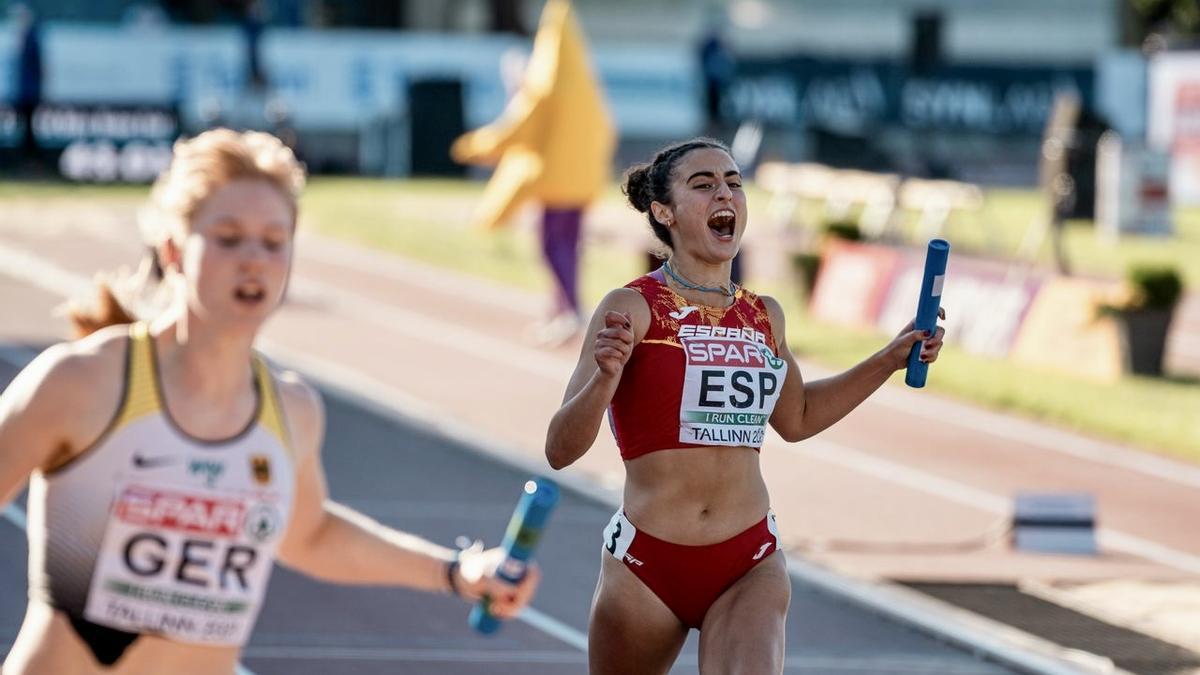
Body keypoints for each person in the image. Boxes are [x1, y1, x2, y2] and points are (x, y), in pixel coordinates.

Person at [0, 128, 538, 675]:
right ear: (173, 252)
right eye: (229, 238)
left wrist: (456, 571)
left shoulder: (289, 410)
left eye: (274, 241)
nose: (254, 260)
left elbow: (310, 535)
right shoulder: (82, 381)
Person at [545, 138, 946, 674]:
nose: (724, 193)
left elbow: (798, 418)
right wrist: (603, 378)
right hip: (646, 565)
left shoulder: (764, 316)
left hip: (746, 560)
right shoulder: (632, 308)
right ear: (663, 212)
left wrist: (889, 359)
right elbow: (559, 450)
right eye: (703, 184)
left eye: (733, 182)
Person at [451, 0, 615, 347]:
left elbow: (520, 127)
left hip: (557, 181)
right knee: (568, 243)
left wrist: (473, 147)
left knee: (552, 244)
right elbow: (606, 130)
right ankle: (562, 309)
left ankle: (569, 309)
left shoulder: (547, 85)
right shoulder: (584, 86)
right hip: (582, 180)